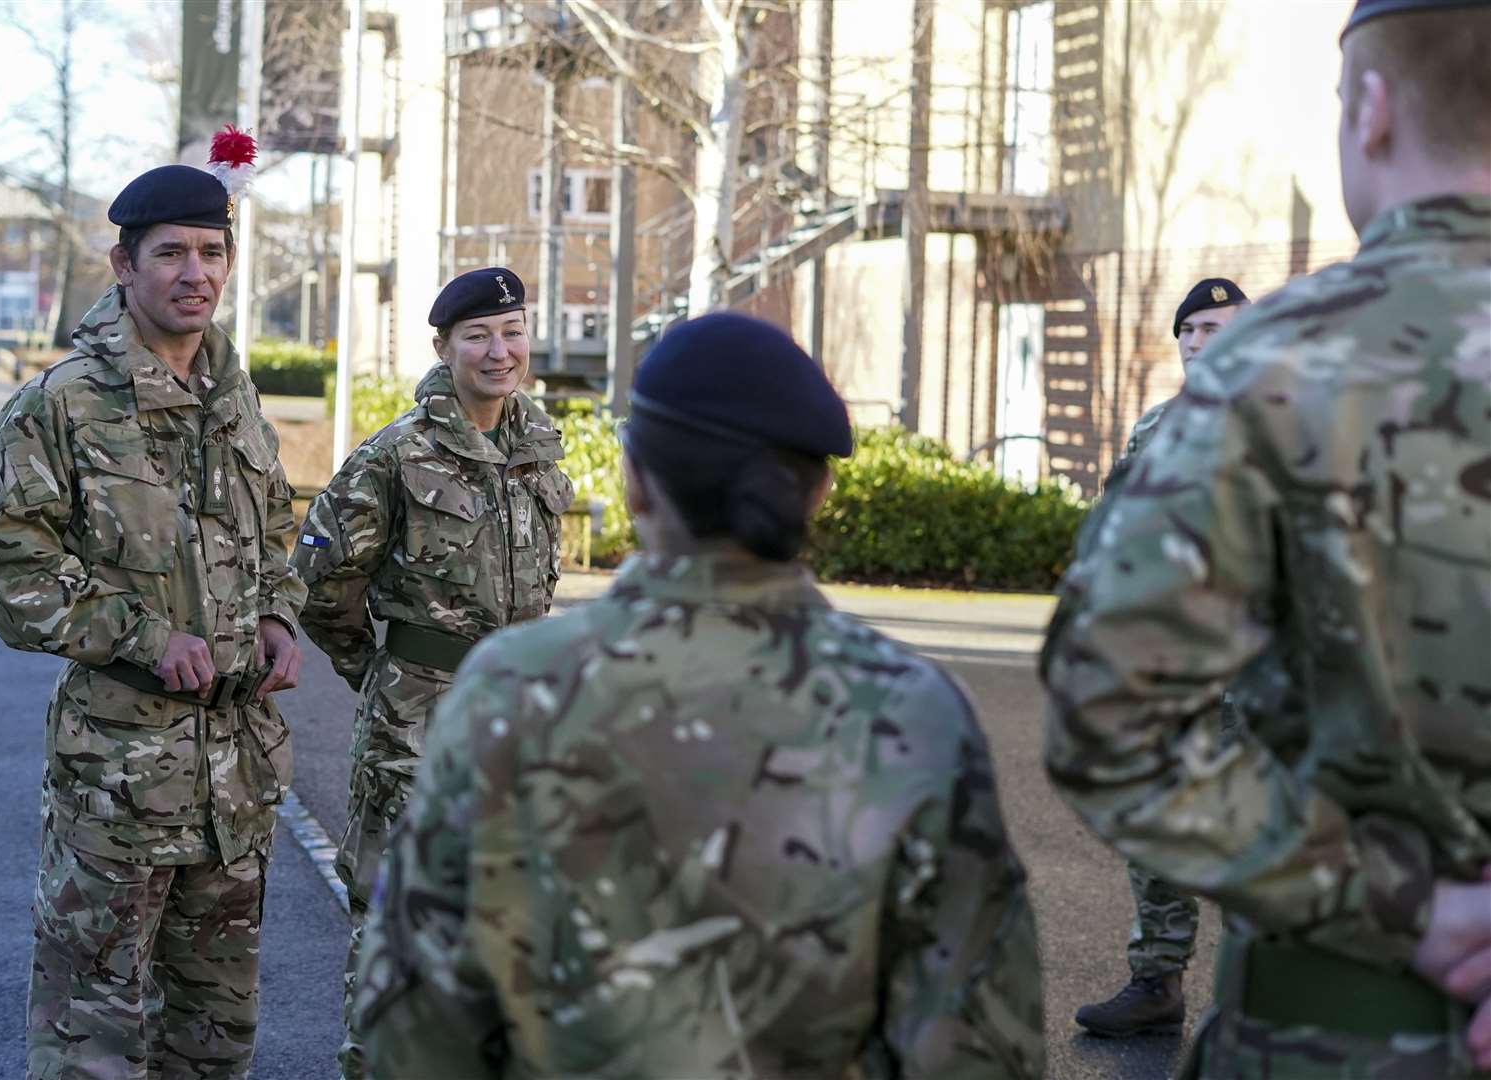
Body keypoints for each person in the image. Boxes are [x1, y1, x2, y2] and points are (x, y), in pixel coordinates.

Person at [350, 311, 1045, 1079]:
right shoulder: (914, 711)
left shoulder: (513, 689)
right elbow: (981, 1045)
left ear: (635, 482)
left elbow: (415, 1033)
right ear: (817, 492)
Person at [1041, 0, 1491, 1075]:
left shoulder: (1273, 365)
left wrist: (1400, 907)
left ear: (1371, 109)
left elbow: (1106, 712)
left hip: (1339, 1032)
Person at [0, 130, 307, 1080]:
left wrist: (275, 614)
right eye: (172, 252)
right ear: (125, 263)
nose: (197, 273)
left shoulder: (234, 398)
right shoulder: (64, 405)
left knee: (215, 1035)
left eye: (213, 251)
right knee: (92, 1032)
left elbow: (271, 527)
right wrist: (140, 637)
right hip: (119, 776)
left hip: (236, 777)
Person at [290, 265, 575, 1079]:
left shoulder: (539, 446)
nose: (498, 351)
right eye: (478, 336)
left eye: (511, 332)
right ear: (443, 347)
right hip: (417, 727)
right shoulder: (394, 456)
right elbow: (319, 588)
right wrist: (383, 673)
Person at [1073, 277, 1251, 1039]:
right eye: (1192, 329)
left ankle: (1255, 999)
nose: (1204, 342)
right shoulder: (1153, 429)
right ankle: (1155, 983)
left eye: (1222, 328)